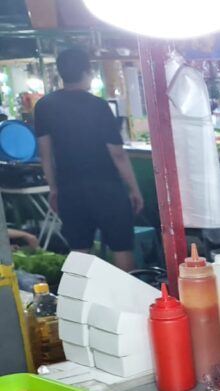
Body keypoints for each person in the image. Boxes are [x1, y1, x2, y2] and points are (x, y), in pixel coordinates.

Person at [35, 47, 143, 271]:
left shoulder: (44, 106)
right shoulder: (98, 106)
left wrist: (54, 189)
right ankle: (127, 302)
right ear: (88, 71)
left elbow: (45, 154)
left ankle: (82, 304)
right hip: (107, 188)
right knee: (121, 246)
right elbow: (118, 154)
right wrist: (134, 189)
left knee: (80, 250)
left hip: (70, 189)